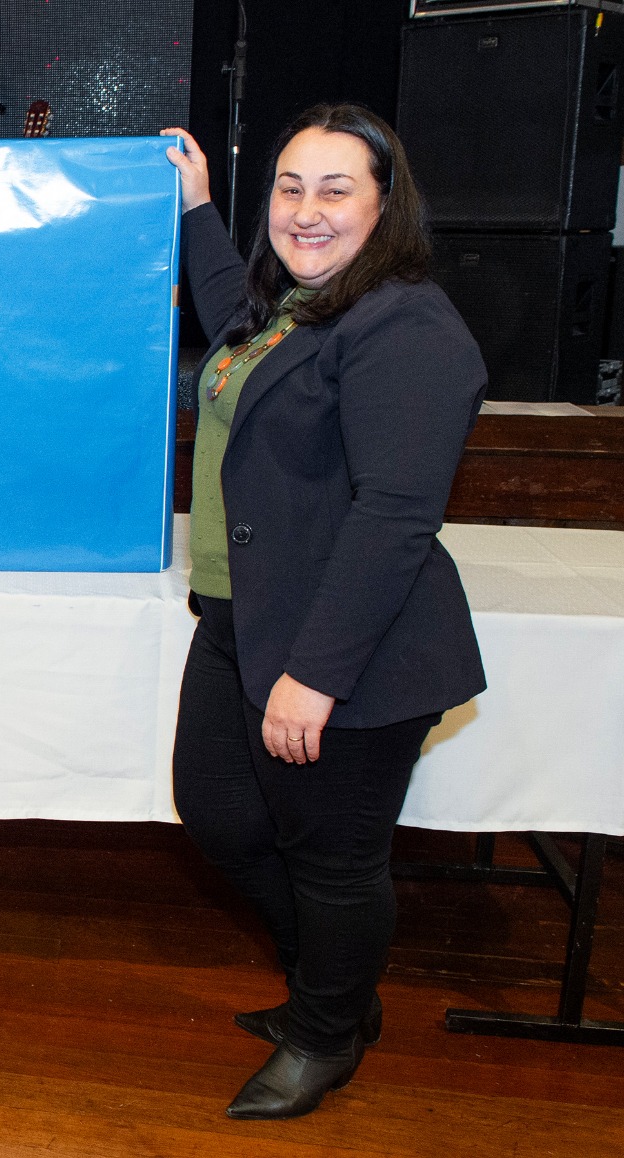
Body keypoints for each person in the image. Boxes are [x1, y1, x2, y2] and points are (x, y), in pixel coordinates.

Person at [160, 106, 487, 1119]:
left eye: (335, 190)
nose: (306, 210)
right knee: (218, 812)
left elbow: (395, 517)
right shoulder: (292, 307)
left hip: (344, 646)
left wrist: (317, 676)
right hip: (240, 620)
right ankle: (334, 988)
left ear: (385, 207)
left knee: (333, 860)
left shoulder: (408, 327)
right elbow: (229, 304)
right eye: (289, 187)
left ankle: (326, 1032)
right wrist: (198, 206)